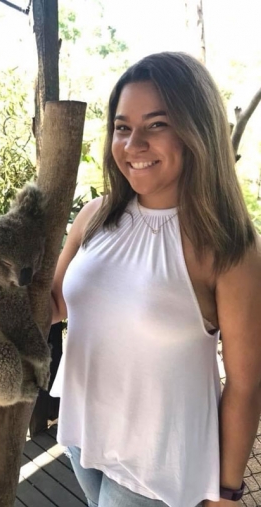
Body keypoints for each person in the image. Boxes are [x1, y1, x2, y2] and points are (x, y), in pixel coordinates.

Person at [50, 52, 261, 507]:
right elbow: (55, 304)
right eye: (123, 127)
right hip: (82, 430)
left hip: (157, 464)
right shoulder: (94, 216)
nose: (133, 144)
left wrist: (225, 490)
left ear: (196, 131)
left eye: (157, 125)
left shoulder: (228, 245)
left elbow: (245, 382)